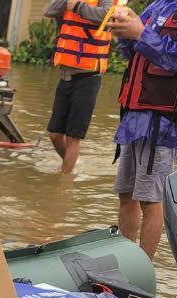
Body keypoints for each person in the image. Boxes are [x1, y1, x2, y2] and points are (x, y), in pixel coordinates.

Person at [107, 0, 177, 260]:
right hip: (134, 117)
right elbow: (133, 54)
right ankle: (126, 263)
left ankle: (143, 268)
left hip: (163, 122)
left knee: (151, 199)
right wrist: (124, 32)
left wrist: (140, 33)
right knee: (126, 196)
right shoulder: (160, 4)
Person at [42, 0, 112, 175]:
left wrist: (78, 6)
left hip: (88, 77)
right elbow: (49, 10)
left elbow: (106, 16)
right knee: (54, 134)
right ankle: (72, 164)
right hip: (66, 75)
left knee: (74, 137)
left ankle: (64, 184)